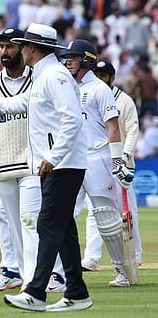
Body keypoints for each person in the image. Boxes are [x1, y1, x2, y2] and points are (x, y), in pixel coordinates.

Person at [0, 23, 92, 312]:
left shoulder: (53, 76)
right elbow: (27, 103)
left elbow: (72, 119)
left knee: (46, 224)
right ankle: (78, 294)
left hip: (62, 164)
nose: (21, 49)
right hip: (59, 162)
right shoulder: (46, 74)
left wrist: (54, 156)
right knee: (64, 227)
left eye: (23, 45)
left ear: (31, 48)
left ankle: (35, 292)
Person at [0, 27, 66, 294]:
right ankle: (28, 276)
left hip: (34, 162)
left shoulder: (38, 79)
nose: (5, 51)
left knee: (32, 219)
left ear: (24, 48)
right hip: (3, 162)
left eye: (10, 46)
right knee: (14, 223)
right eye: (1, 46)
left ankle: (54, 274)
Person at [60, 39, 134, 287]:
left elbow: (113, 128)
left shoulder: (100, 89)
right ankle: (60, 274)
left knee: (106, 218)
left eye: (73, 57)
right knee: (62, 215)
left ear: (87, 60)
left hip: (97, 156)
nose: (68, 61)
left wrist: (116, 162)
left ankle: (121, 271)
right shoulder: (65, 86)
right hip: (71, 157)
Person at [80, 59, 142, 270]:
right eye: (96, 75)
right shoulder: (89, 95)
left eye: (103, 76)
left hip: (121, 164)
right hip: (99, 163)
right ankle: (91, 258)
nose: (99, 79)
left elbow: (132, 130)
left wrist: (124, 156)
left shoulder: (123, 101)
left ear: (112, 78)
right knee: (97, 211)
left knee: (127, 213)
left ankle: (135, 256)